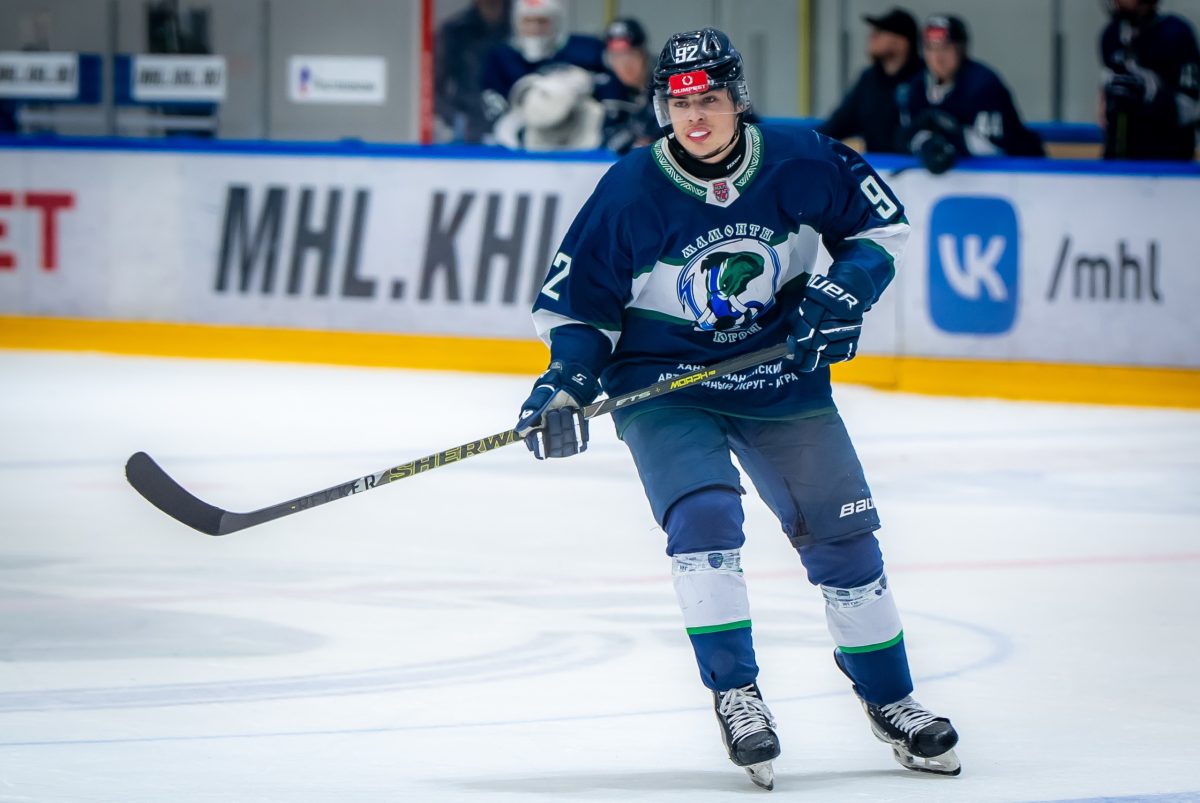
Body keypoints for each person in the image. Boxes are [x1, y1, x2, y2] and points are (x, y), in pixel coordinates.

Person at [513, 27, 961, 791]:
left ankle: (893, 698)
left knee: (847, 543)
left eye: (709, 99)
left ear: (737, 99)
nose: (694, 116)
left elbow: (879, 227)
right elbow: (580, 309)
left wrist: (846, 289)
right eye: (679, 102)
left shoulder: (800, 157)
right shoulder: (630, 190)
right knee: (704, 518)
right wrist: (567, 381)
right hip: (664, 384)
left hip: (779, 374)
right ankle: (737, 693)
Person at [898, 14, 1042, 173]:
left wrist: (950, 141)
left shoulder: (983, 85)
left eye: (945, 48)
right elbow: (907, 134)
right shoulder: (916, 86)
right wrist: (927, 144)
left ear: (961, 49)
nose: (937, 58)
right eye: (930, 49)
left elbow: (992, 146)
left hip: (1022, 171)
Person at [479, 0, 611, 134]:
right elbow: (493, 103)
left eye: (542, 21)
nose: (534, 28)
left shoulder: (587, 50)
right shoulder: (501, 57)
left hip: (580, 129)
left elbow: (609, 93)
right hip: (524, 132)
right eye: (527, 21)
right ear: (516, 22)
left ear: (556, 21)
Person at [1100, 0, 1200, 160]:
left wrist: (1150, 93)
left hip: (1167, 160)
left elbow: (1191, 109)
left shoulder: (1177, 34)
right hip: (1119, 158)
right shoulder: (1111, 35)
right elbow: (1104, 101)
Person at [819, 8, 923, 153]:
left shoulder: (925, 80)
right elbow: (836, 125)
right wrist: (812, 142)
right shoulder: (868, 79)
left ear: (901, 42)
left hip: (917, 166)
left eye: (880, 31)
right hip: (875, 165)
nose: (872, 36)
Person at [435, 0, 511, 143]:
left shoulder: (523, 24)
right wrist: (457, 119)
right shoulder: (456, 30)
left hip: (513, 127)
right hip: (469, 130)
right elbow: (432, 88)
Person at [598, 18, 660, 154]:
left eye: (630, 55)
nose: (624, 65)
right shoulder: (611, 87)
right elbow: (608, 142)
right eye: (615, 57)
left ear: (644, 54)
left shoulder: (664, 81)